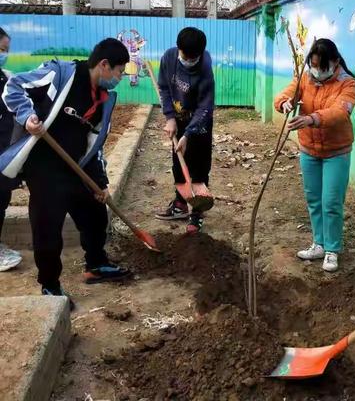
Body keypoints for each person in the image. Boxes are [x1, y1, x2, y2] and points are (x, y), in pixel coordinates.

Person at [0, 38, 132, 309]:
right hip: (45, 167)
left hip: (76, 166)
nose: (120, 78)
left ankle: (95, 264)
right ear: (104, 65)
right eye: (119, 71)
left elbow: (94, 146)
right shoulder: (60, 74)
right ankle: (50, 285)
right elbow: (13, 86)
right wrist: (27, 116)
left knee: (95, 214)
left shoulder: (104, 99)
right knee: (47, 228)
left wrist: (101, 183)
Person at [274, 38, 355, 272]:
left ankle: (332, 249)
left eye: (322, 67)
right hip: (309, 150)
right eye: (314, 65)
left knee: (331, 202)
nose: (317, 72)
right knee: (313, 199)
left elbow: (340, 113)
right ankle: (318, 243)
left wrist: (311, 118)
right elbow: (286, 94)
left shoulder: (348, 84)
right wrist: (284, 104)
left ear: (335, 61)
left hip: (336, 152)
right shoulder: (306, 77)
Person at [157, 27, 214, 234]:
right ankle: (180, 205)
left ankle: (197, 212)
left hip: (200, 122)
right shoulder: (169, 58)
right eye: (185, 55)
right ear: (178, 48)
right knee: (178, 163)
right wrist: (170, 118)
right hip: (178, 119)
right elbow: (163, 87)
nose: (188, 60)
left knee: (198, 167)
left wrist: (189, 134)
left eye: (193, 58)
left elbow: (205, 106)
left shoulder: (205, 66)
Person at [0, 27, 22, 271]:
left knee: (1, 198)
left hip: (4, 149)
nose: (4, 54)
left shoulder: (5, 78)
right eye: (2, 50)